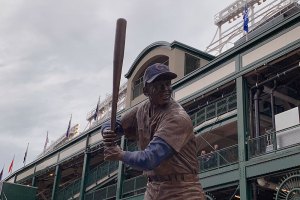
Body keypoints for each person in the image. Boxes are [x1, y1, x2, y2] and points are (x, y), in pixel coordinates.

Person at [101, 63, 205, 200]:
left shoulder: (177, 118)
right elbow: (116, 124)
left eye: (168, 84)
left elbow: (149, 159)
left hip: (182, 189)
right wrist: (108, 130)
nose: (166, 89)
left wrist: (119, 154)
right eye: (159, 85)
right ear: (146, 91)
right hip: (153, 187)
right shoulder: (143, 109)